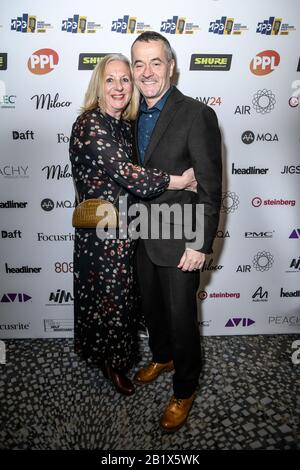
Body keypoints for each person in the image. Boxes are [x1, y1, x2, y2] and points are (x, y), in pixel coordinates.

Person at [69, 54, 196, 397]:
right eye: (111, 80)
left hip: (131, 230)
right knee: (108, 301)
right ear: (99, 85)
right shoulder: (90, 125)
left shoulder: (125, 124)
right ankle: (111, 363)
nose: (119, 86)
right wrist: (178, 182)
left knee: (125, 301)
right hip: (103, 234)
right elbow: (130, 175)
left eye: (125, 79)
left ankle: (128, 355)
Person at [131, 32, 222, 431]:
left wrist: (201, 244)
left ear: (171, 66)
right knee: (152, 310)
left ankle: (185, 388)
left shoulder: (196, 114)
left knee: (183, 319)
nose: (147, 71)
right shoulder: (128, 113)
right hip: (140, 234)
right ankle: (162, 355)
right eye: (139, 63)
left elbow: (209, 187)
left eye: (155, 62)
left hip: (181, 239)